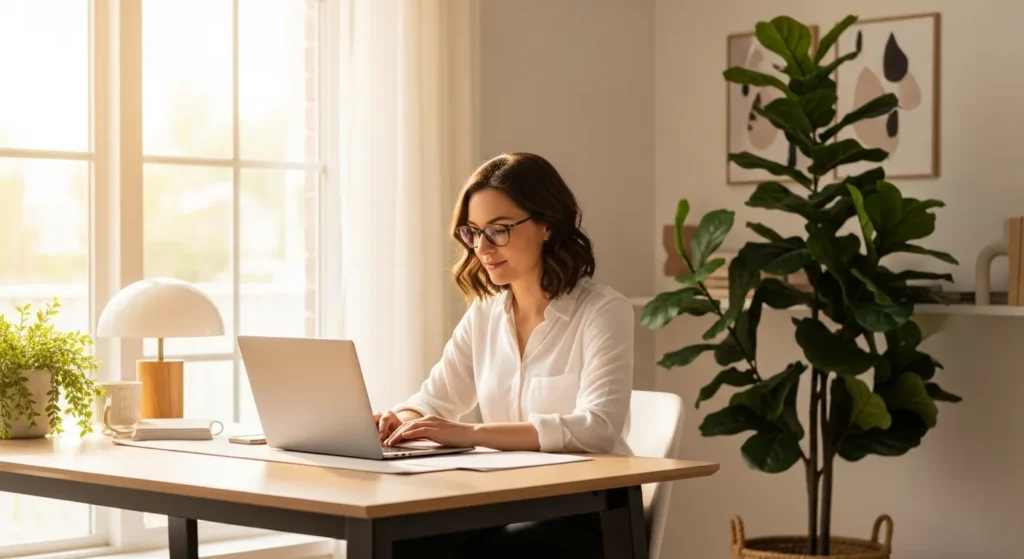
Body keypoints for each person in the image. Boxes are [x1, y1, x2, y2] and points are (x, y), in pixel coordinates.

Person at [374, 152, 635, 558]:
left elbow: (597, 428)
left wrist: (468, 434)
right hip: (505, 502)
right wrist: (400, 422)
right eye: (473, 232)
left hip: (590, 512)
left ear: (548, 224)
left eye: (498, 230)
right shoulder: (485, 313)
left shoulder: (603, 311)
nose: (482, 247)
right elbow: (432, 401)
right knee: (402, 542)